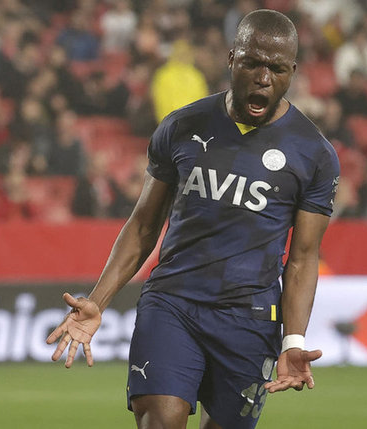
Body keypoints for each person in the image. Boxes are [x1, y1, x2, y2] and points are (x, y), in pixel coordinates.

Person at [46, 9, 339, 429]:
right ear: (231, 58)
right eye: (252, 63)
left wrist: (293, 338)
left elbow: (303, 257)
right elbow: (143, 225)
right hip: (173, 304)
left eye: (276, 68)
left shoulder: (315, 154)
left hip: (250, 319)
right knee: (161, 421)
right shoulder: (182, 126)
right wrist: (98, 301)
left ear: (292, 71)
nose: (263, 78)